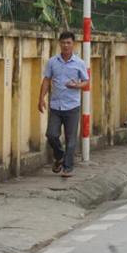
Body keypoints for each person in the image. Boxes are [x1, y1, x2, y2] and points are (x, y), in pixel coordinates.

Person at [38, 32, 89, 178]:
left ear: (73, 44)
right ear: (59, 44)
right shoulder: (52, 62)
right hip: (55, 105)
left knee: (71, 139)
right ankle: (59, 155)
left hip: (72, 106)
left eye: (68, 43)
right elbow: (47, 80)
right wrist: (41, 98)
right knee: (51, 134)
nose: (65, 45)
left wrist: (77, 85)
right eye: (63, 43)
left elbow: (86, 81)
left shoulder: (79, 63)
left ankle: (67, 167)